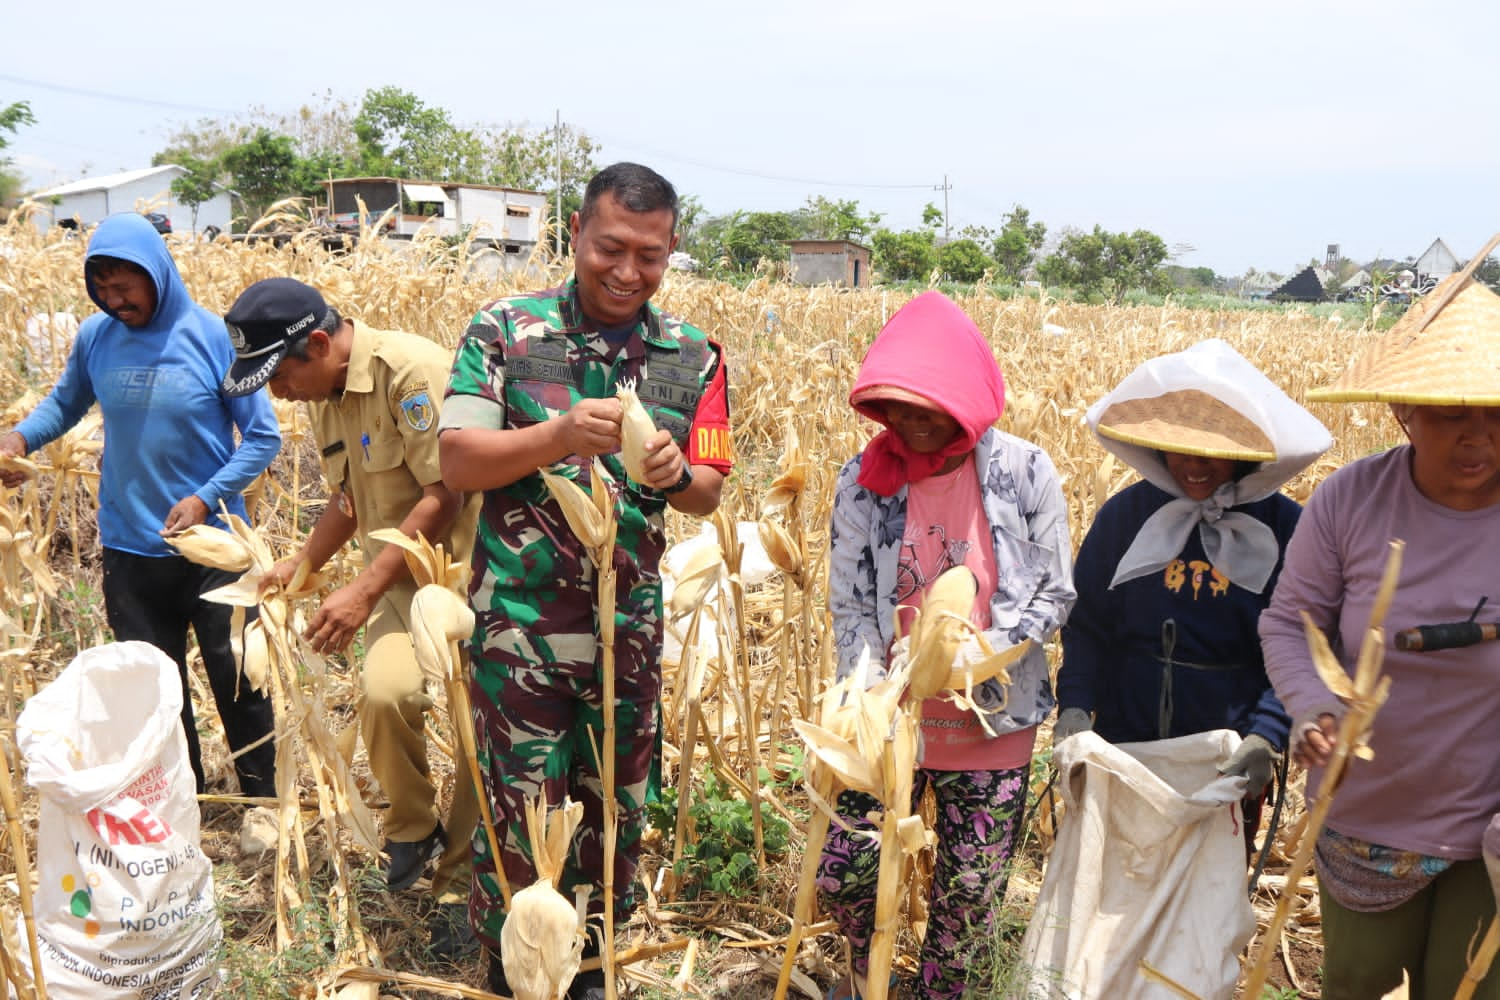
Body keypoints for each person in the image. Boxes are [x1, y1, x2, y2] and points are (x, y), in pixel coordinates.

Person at [437, 162, 733, 999]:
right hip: (517, 626)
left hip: (626, 633)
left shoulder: (695, 356)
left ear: (672, 250)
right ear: (576, 233)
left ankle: (593, 964)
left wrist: (675, 475)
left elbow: (710, 491)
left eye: (650, 255)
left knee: (617, 810)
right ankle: (515, 964)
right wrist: (559, 434)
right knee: (521, 805)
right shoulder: (504, 329)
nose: (627, 272)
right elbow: (456, 457)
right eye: (611, 248)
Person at [818, 290, 1075, 1000]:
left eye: (928, 406)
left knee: (968, 901)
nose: (910, 423)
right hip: (887, 724)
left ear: (968, 400)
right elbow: (849, 602)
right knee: (845, 872)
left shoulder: (1024, 474)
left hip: (991, 727)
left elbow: (1054, 592)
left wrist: (975, 657)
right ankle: (864, 979)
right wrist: (876, 686)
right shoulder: (864, 482)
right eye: (895, 407)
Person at [219, 277, 482, 958]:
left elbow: (444, 495)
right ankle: (412, 825)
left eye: (278, 375)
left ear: (316, 343)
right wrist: (302, 563)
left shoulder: (412, 372)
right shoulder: (324, 392)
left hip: (470, 580)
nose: (277, 394)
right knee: (383, 692)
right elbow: (350, 497)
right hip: (400, 580)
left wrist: (361, 590)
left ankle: (458, 883)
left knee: (481, 733)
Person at [0, 212, 280, 842]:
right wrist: (20, 438)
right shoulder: (96, 337)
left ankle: (262, 803)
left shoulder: (215, 337)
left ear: (159, 274)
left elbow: (264, 437)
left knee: (239, 676)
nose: (116, 301)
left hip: (215, 549)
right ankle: (182, 800)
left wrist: (207, 499)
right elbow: (66, 403)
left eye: (128, 286)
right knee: (154, 690)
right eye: (103, 288)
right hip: (129, 545)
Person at [1262, 268, 1500, 999]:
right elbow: (1288, 620)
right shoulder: (1352, 498)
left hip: (1490, 817)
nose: (1479, 437)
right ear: (1404, 410)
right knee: (1357, 981)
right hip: (1369, 807)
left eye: (1498, 414)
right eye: (1452, 413)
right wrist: (1311, 705)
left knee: (1467, 987)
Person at [1055, 339, 1332, 851]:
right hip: (1125, 741)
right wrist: (1074, 706)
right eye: (1179, 450)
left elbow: (1301, 645)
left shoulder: (1285, 529)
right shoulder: (1126, 518)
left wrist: (1267, 735)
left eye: (1215, 454)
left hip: (1226, 753)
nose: (1194, 466)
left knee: (1206, 906)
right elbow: (1089, 625)